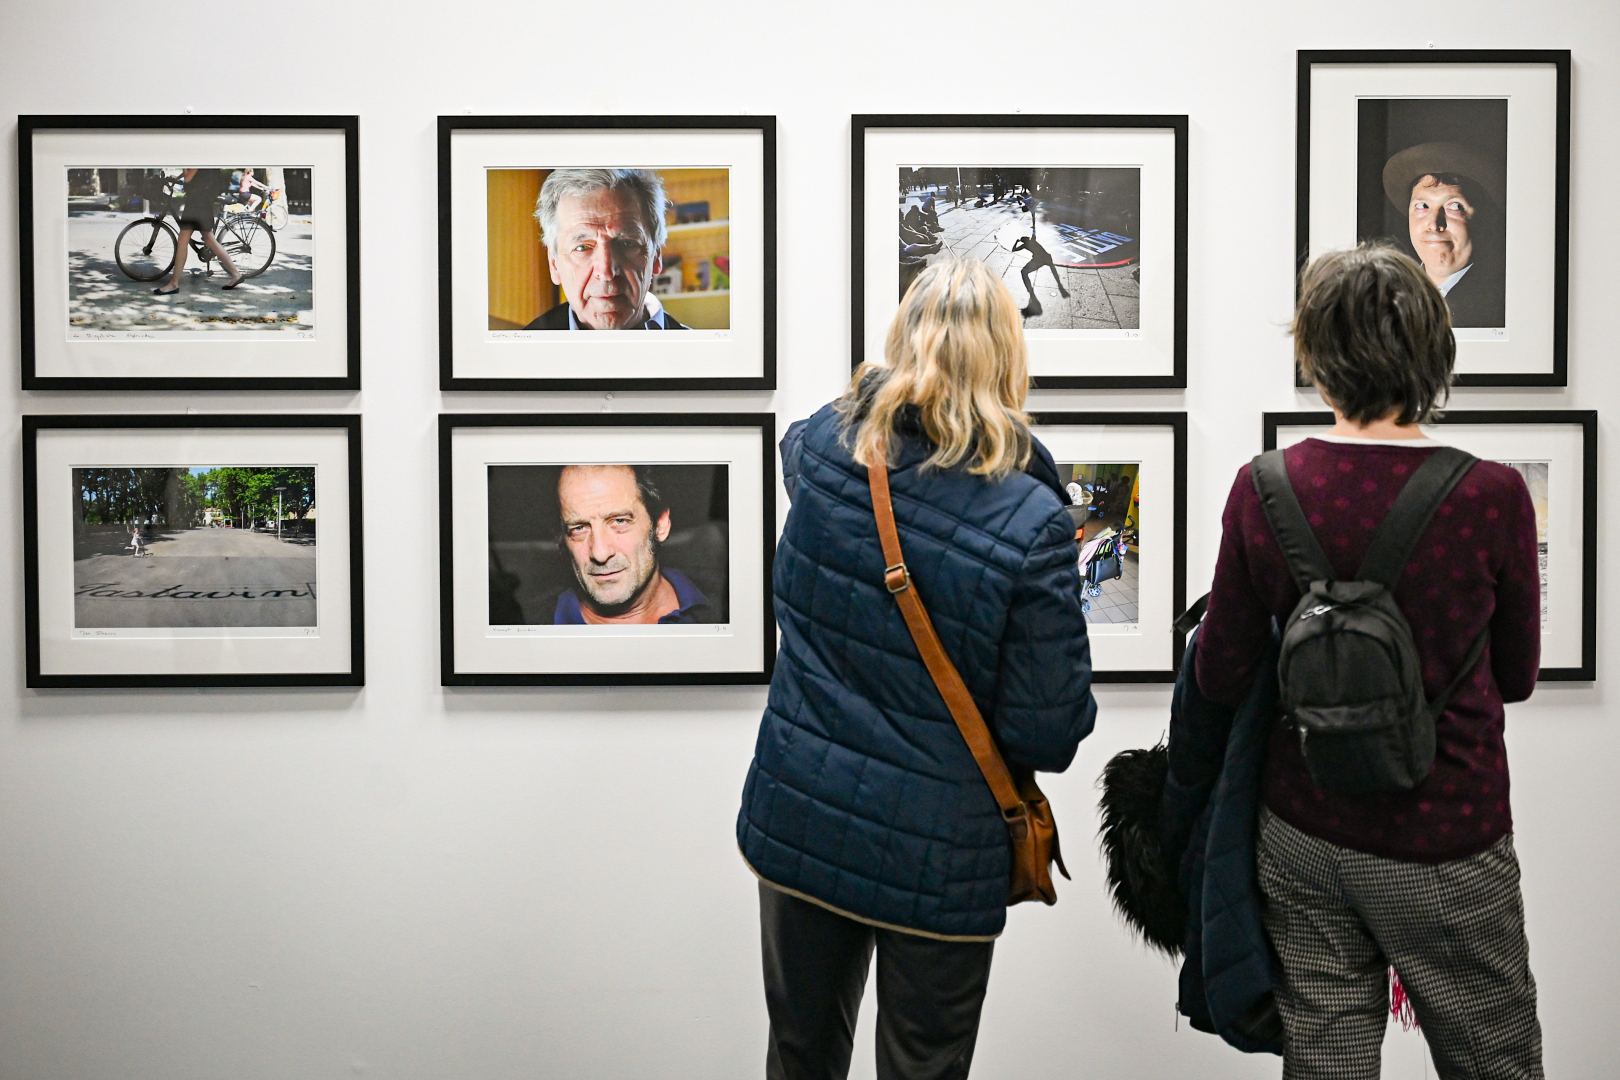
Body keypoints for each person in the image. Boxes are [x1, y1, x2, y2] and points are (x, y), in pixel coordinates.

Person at [737, 258, 1097, 1080]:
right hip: (939, 852)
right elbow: (1048, 728)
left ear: (901, 341)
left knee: (799, 1055)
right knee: (923, 1069)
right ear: (1007, 358)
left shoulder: (820, 458)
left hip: (803, 815)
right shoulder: (1033, 518)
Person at [1196, 243, 1543, 1077]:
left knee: (1327, 1061)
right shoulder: (1491, 494)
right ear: (1433, 353)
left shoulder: (1265, 485)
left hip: (1305, 830)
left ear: (1315, 355)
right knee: (1495, 1061)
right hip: (1446, 833)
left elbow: (1221, 675)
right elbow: (1519, 675)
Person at [524, 168, 688, 331]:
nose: (606, 272)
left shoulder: (701, 352)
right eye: (582, 248)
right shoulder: (521, 353)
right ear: (554, 264)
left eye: (626, 243)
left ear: (656, 256)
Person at [551, 464, 715, 624]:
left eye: (619, 521)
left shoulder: (722, 607)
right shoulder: (538, 623)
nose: (600, 553)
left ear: (660, 525)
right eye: (579, 528)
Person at [1381, 141, 1506, 327]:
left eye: (1455, 206)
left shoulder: (1501, 307)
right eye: (1422, 206)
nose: (1433, 224)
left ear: (1485, 219)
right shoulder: (1384, 302)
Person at [153, 168, 244, 295]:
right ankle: (236, 274)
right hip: (201, 201)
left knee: (184, 238)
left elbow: (188, 177)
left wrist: (184, 168)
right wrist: (177, 177)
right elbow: (193, 173)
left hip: (197, 202)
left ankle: (174, 284)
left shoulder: (196, 158)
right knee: (208, 238)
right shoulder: (202, 157)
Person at [1011, 231, 1069, 313]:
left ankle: (1030, 289)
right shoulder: (1033, 240)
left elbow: (1013, 249)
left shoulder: (1025, 245)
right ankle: (1059, 284)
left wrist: (1016, 242)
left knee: (1023, 272)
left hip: (1038, 260)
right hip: (1047, 257)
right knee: (1052, 269)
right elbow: (1034, 230)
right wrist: (1033, 220)